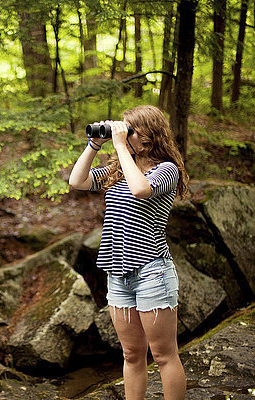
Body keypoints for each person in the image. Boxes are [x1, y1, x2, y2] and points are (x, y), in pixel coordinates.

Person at [68, 105, 189, 400]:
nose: (123, 134)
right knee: (132, 354)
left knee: (163, 355)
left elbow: (140, 190)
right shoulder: (118, 169)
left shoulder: (166, 169)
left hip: (152, 272)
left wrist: (121, 146)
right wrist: (94, 145)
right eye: (122, 128)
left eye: (130, 129)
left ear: (149, 134)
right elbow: (77, 181)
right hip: (117, 273)